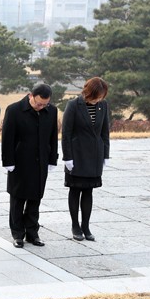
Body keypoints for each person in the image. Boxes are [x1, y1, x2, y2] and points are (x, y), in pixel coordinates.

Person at [1, 84, 58, 248]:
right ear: (30, 96)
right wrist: (8, 161)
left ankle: (33, 233)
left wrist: (52, 158)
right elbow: (7, 138)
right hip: (20, 161)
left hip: (41, 161)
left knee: (35, 198)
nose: (41, 107)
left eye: (44, 104)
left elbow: (53, 136)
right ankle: (18, 234)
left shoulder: (51, 111)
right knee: (18, 198)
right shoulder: (14, 110)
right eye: (38, 103)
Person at [62, 77, 110, 241]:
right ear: (89, 92)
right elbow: (66, 133)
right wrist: (67, 157)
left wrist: (106, 154)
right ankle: (75, 225)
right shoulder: (74, 105)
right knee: (75, 190)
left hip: (95, 153)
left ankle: (86, 226)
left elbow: (105, 132)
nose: (99, 99)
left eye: (102, 96)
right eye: (97, 96)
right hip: (77, 154)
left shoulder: (103, 105)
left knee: (89, 190)